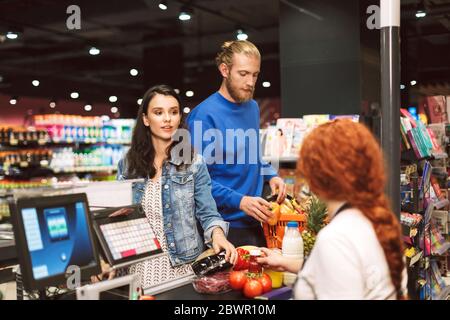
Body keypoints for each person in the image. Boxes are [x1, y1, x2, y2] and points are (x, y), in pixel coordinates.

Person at [257, 119, 408, 300]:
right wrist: (286, 263)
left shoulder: (336, 238)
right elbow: (346, 270)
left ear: (317, 176)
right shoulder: (375, 218)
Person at [115, 85, 237, 288]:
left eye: (173, 112)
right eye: (158, 112)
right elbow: (118, 221)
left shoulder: (194, 162)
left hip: (183, 271)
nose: (167, 119)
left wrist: (217, 234)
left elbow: (208, 213)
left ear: (180, 117)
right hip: (137, 273)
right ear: (146, 119)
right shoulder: (128, 165)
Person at [187, 40, 286, 247]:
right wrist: (240, 201)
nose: (250, 82)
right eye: (243, 74)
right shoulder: (203, 116)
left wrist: (271, 174)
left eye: (255, 75)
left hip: (256, 220)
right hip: (223, 228)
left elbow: (251, 156)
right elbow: (197, 182)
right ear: (224, 70)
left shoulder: (252, 107)